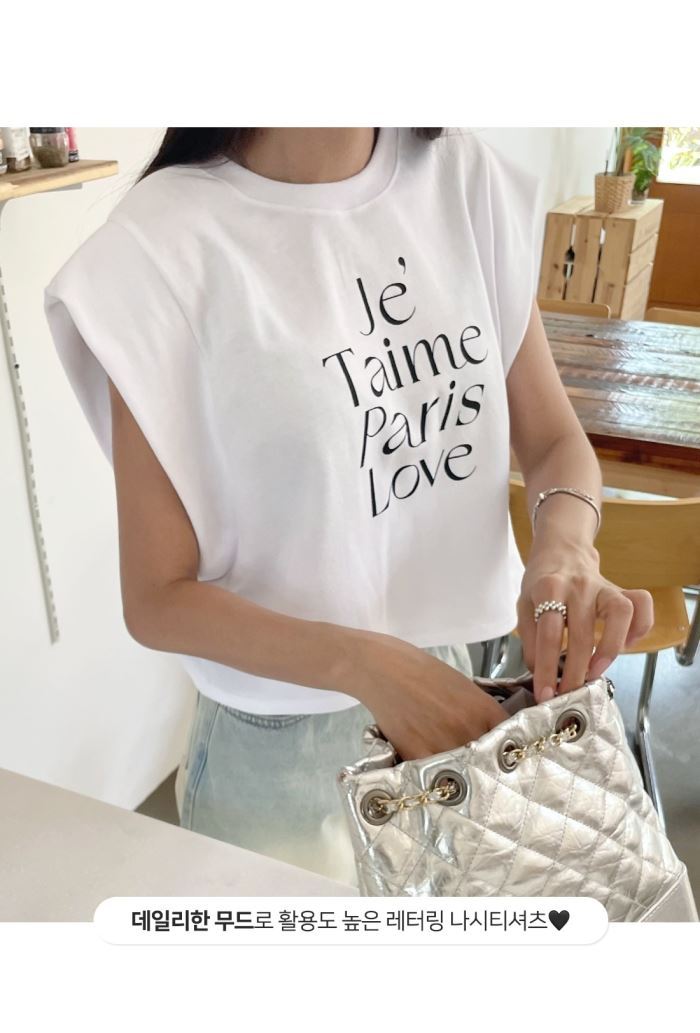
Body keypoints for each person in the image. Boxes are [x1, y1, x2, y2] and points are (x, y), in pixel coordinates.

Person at [44, 127, 653, 885]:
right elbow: (157, 598)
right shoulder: (157, 247)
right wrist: (370, 665)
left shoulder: (463, 180)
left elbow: (556, 442)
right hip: (279, 758)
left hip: (454, 692)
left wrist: (565, 548)